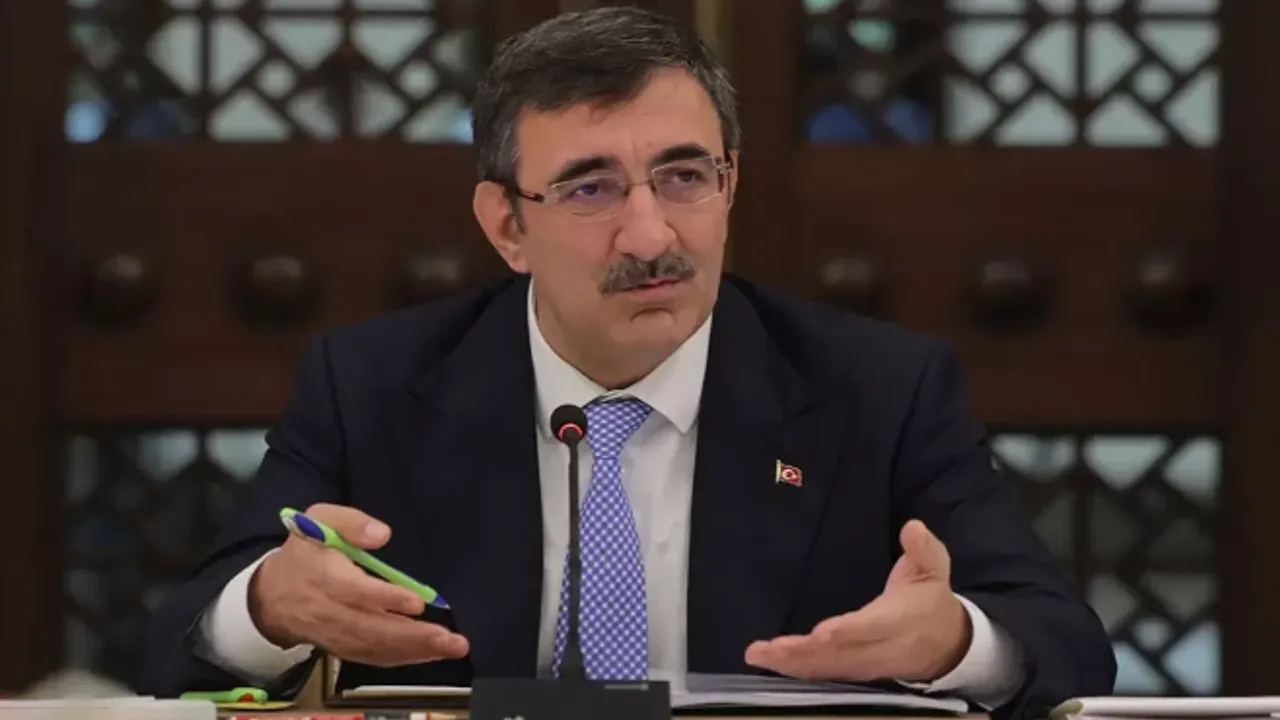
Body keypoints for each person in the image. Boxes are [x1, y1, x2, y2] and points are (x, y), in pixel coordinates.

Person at [138, 7, 1116, 720]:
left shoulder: (878, 390)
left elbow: (1067, 647)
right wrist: (270, 605)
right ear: (505, 225)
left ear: (729, 186)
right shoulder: (373, 386)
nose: (650, 234)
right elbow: (174, 649)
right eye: (589, 188)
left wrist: (953, 641)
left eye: (683, 176)